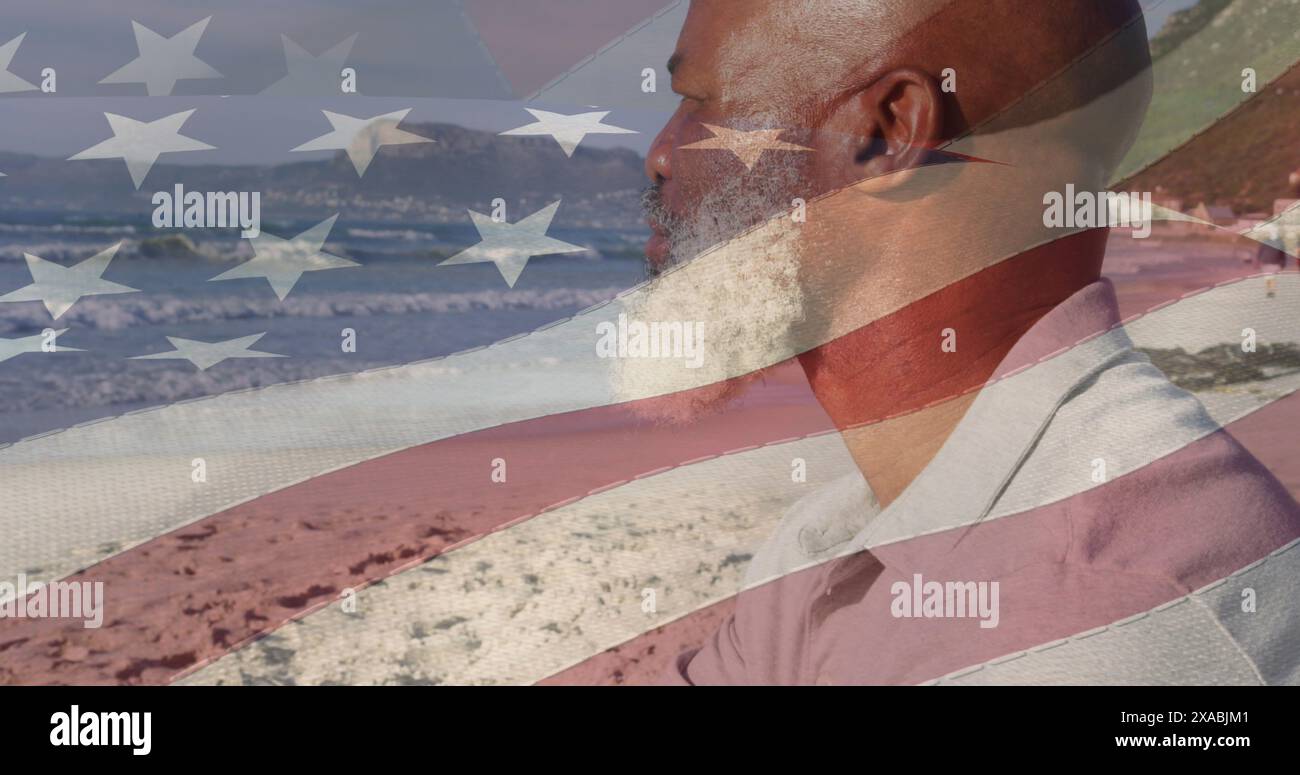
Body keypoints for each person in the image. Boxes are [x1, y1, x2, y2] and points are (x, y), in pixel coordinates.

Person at [630, 0, 1300, 684]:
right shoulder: (828, 545)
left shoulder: (1107, 617)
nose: (659, 155)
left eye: (699, 102)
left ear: (886, 133)